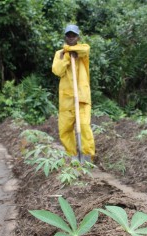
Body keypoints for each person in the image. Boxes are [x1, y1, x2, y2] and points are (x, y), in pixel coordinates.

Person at [52, 24, 95, 161]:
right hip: (66, 99)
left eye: (74, 35)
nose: (71, 38)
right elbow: (57, 71)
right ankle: (72, 156)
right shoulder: (60, 53)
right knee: (65, 130)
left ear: (78, 37)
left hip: (82, 96)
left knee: (84, 126)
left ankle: (87, 157)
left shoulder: (83, 49)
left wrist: (71, 50)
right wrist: (66, 56)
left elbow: (85, 50)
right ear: (65, 36)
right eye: (68, 35)